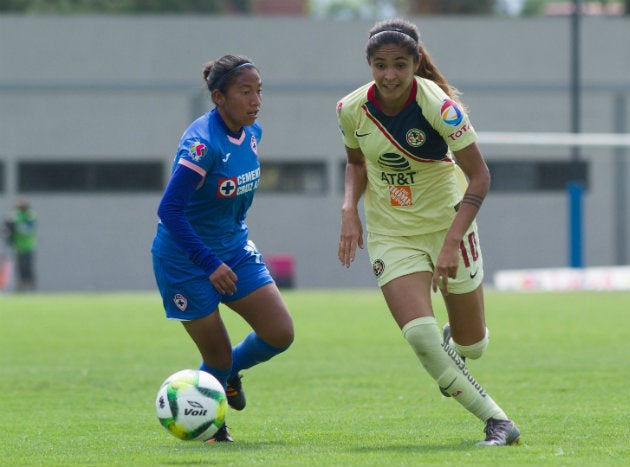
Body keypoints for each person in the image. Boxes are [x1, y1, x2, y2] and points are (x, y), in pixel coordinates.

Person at [336, 19, 521, 446]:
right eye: (380, 65)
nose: (389, 75)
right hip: (391, 232)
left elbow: (479, 177)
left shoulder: (438, 107)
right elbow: (356, 163)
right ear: (369, 64)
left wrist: (453, 242)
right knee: (418, 333)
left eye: (400, 65)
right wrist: (349, 209)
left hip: (448, 225)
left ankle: (453, 349)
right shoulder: (350, 109)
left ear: (416, 63)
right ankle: (498, 422)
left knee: (472, 347)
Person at [151, 54, 294, 442]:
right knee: (217, 356)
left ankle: (228, 377)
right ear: (219, 97)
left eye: (259, 91)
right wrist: (209, 262)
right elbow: (169, 209)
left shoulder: (252, 134)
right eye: (245, 92)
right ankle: (212, 426)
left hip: (232, 249)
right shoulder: (202, 144)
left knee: (279, 333)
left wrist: (231, 240)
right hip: (185, 259)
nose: (255, 100)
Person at [7, 198, 37, 292]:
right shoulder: (15, 215)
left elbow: (28, 229)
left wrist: (17, 226)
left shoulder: (29, 215)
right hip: (18, 246)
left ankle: (30, 284)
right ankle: (21, 286)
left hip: (28, 246)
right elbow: (8, 226)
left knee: (27, 267)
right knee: (19, 268)